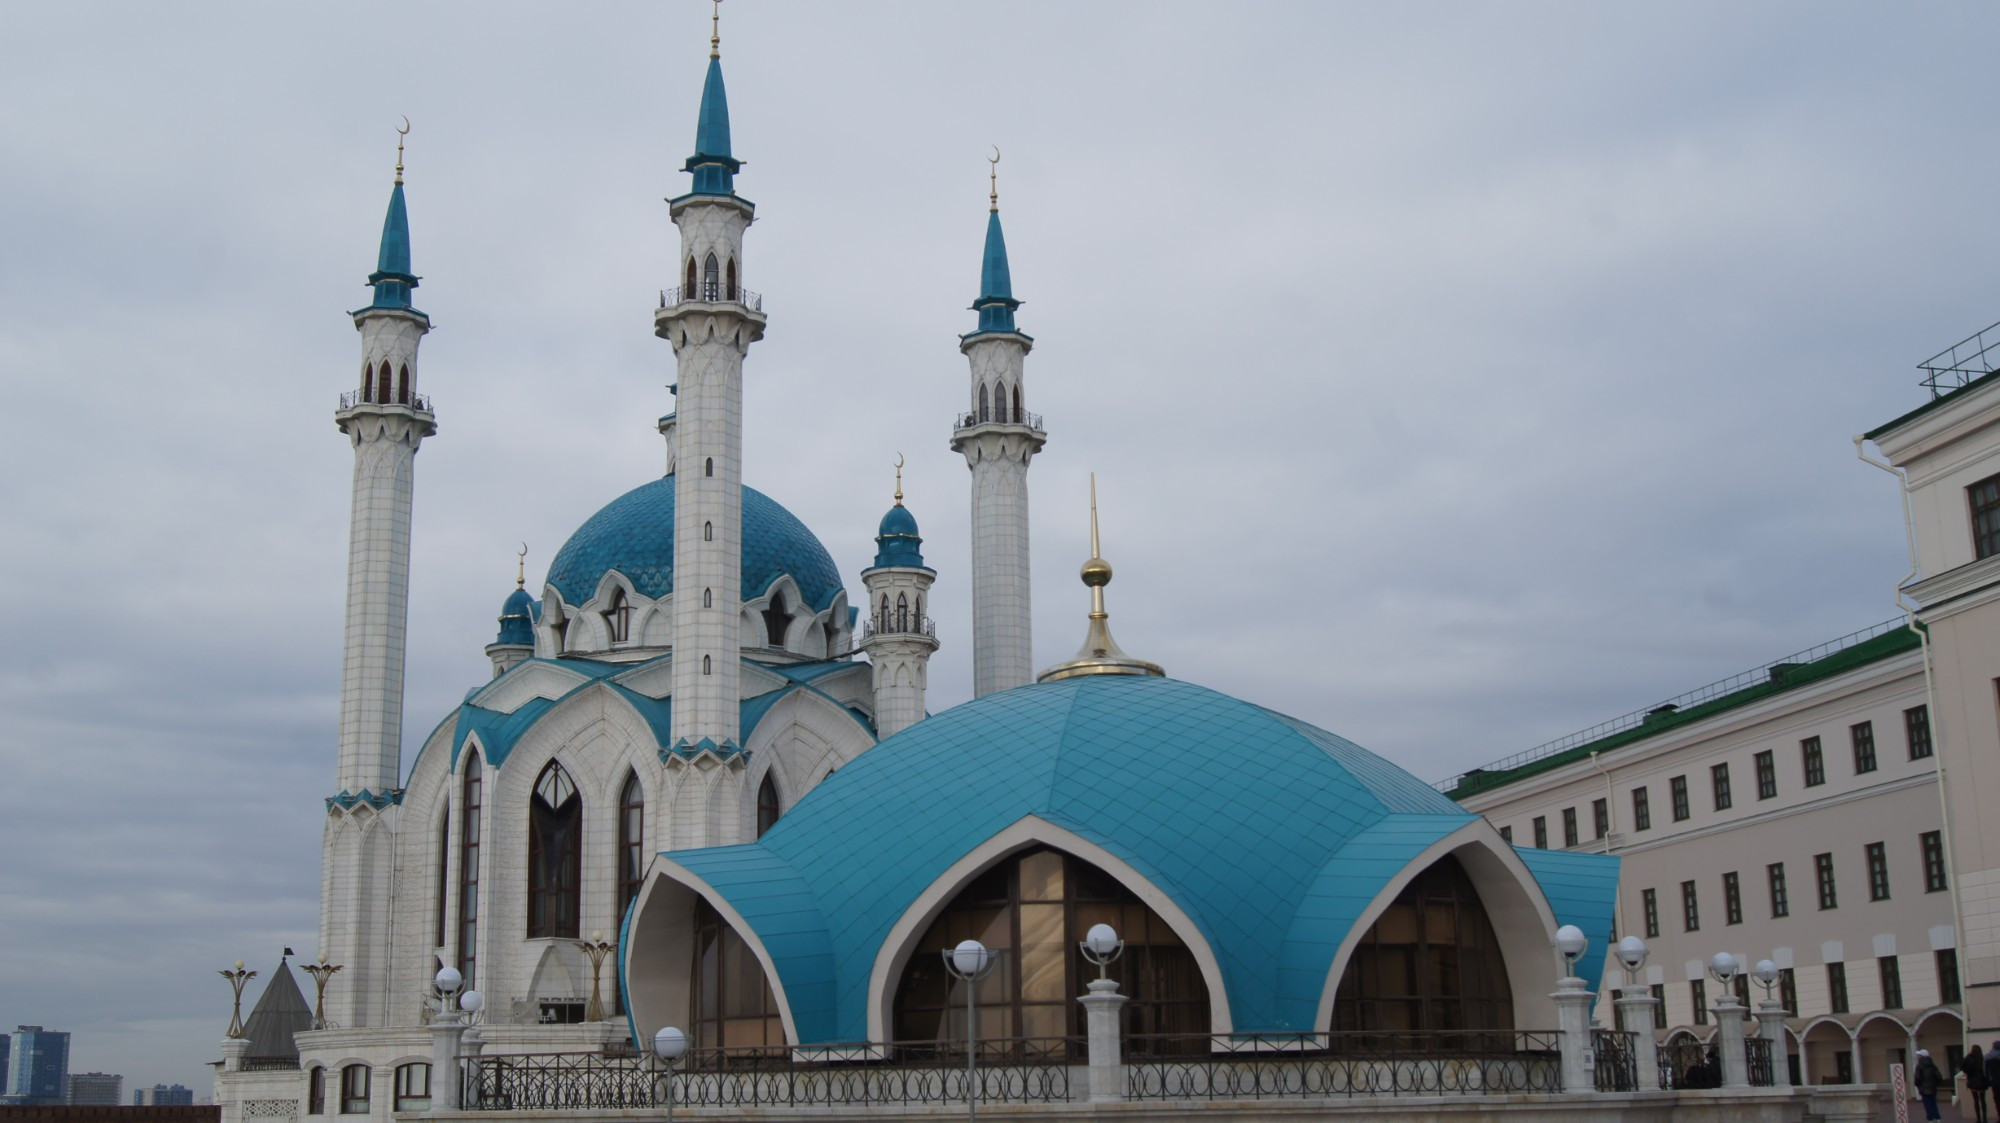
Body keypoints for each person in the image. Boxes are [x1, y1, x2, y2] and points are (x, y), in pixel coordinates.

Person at [1962, 1045, 1989, 1123]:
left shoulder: (1970, 1059)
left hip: (1973, 1081)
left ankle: (1979, 1119)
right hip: (1982, 1082)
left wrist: (1967, 1056)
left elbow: (1964, 1068)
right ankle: (1985, 1119)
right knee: (1983, 1100)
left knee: (1976, 1100)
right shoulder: (1982, 1059)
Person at [1914, 1049, 1942, 1122]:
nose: (1918, 1056)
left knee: (1927, 1104)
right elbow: (1939, 1076)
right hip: (1933, 1087)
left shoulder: (1919, 1066)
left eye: (1919, 1055)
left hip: (1924, 1088)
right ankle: (1937, 1117)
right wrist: (1935, 1084)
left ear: (1922, 1056)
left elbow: (1917, 1077)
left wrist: (1918, 1085)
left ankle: (1930, 1118)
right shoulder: (1933, 1065)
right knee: (1933, 1103)